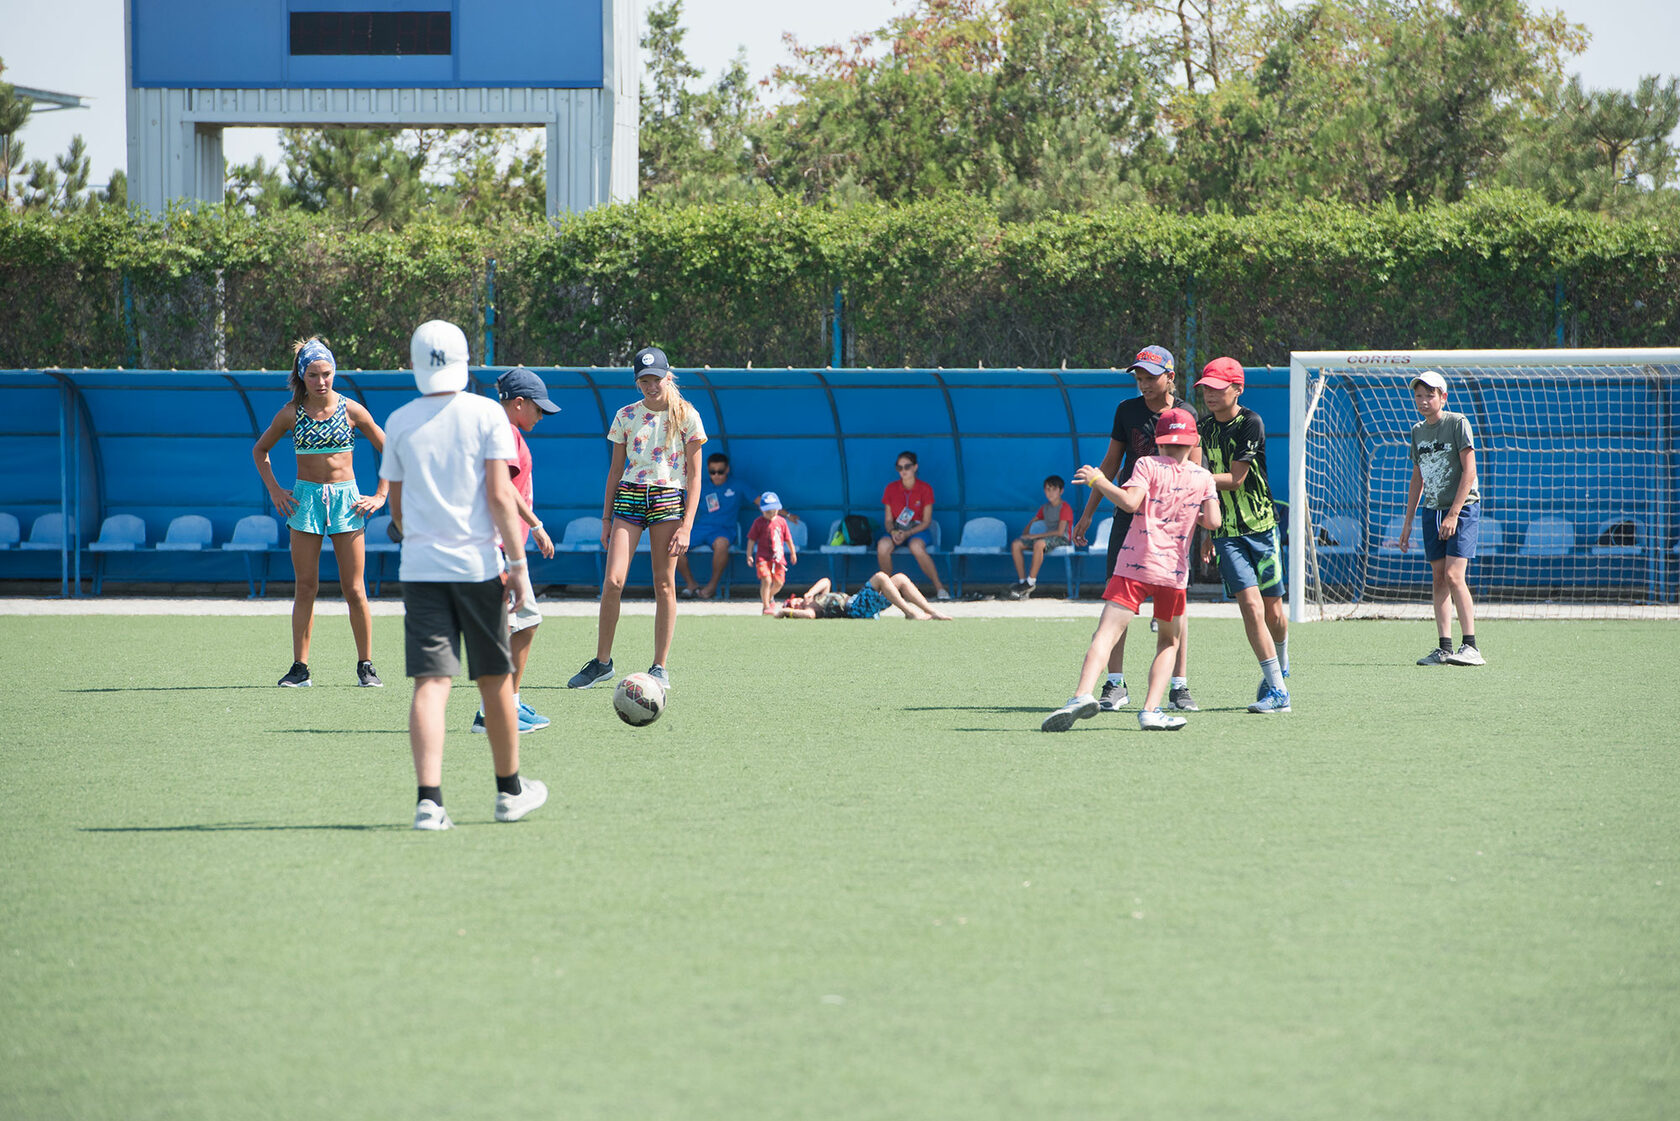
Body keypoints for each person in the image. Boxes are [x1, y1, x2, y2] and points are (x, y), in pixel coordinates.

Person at [380, 319, 547, 830]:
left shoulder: (400, 421)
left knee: (430, 684)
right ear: (464, 359)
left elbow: (400, 515)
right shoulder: (487, 415)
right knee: (495, 682)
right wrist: (517, 567)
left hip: (421, 571)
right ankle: (508, 793)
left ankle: (429, 804)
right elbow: (500, 498)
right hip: (478, 567)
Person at [1043, 408, 1219, 733]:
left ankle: (1082, 695)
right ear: (1193, 440)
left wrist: (1099, 480)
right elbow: (1214, 521)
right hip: (1172, 574)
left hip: (1134, 566)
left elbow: (1129, 502)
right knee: (1168, 642)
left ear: (1158, 441)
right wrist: (1186, 512)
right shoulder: (1203, 477)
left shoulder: (1146, 463)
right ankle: (1151, 710)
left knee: (1105, 634)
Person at [252, 336, 388, 689]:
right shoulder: (290, 413)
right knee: (306, 586)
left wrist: (380, 495)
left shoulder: (351, 410)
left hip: (347, 501)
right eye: (313, 375)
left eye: (326, 373)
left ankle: (366, 666)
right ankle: (300, 668)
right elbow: (260, 451)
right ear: (302, 375)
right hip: (305, 501)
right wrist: (276, 490)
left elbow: (392, 450)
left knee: (354, 588)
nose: (321, 381)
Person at [1069, 344, 1200, 712]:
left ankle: (1179, 685)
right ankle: (1115, 683)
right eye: (1139, 377)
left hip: (1172, 522)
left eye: (1150, 377)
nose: (1142, 383)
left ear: (1170, 377)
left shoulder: (1187, 413)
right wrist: (1088, 514)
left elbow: (1197, 471)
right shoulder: (1126, 411)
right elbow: (1110, 465)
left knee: (1175, 609)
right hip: (1129, 517)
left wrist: (1200, 528)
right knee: (1118, 601)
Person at [568, 346, 706, 692]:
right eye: (643, 379)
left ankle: (659, 666)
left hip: (668, 500)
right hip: (628, 497)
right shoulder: (625, 415)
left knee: (664, 583)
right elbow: (615, 471)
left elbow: (695, 477)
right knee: (613, 581)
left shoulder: (687, 415)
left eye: (655, 378)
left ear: (667, 376)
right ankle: (602, 663)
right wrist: (605, 519)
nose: (650, 385)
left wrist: (687, 525)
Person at [1195, 357, 1291, 714]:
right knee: (1250, 607)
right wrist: (1207, 530)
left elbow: (1235, 479)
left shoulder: (1251, 423)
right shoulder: (1204, 428)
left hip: (1262, 528)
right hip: (1227, 533)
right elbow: (1208, 486)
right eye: (1206, 388)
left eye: (1219, 388)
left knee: (1274, 611)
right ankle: (1278, 692)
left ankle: (1281, 664)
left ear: (1238, 389)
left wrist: (1191, 477)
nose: (1210, 394)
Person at [468, 367, 559, 736]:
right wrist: (536, 525)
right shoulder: (504, 433)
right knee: (506, 629)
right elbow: (503, 487)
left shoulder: (509, 431)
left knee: (525, 623)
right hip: (498, 547)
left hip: (506, 545)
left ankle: (510, 702)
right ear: (518, 403)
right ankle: (490, 713)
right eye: (538, 409)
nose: (541, 416)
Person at [1397, 370, 1484, 666]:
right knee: (1438, 578)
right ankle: (1444, 647)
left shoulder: (1457, 423)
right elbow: (1417, 478)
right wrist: (1408, 522)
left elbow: (1469, 471)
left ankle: (1471, 646)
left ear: (1443, 397)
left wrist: (1454, 513)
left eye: (1429, 395)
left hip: (1461, 508)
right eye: (1418, 395)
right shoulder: (1417, 431)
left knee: (1453, 575)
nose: (1423, 401)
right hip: (1431, 511)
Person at [678, 452, 759, 600]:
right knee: (674, 546)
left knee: (721, 544)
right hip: (700, 529)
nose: (716, 475)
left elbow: (763, 502)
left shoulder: (738, 485)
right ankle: (691, 584)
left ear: (727, 470)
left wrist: (786, 515)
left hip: (724, 530)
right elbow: (683, 507)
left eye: (720, 472)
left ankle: (712, 586)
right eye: (712, 472)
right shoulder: (701, 486)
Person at [876, 450, 951, 601]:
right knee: (882, 546)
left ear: (915, 467)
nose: (903, 471)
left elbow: (926, 521)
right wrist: (893, 532)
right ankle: (888, 590)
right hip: (897, 529)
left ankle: (939, 587)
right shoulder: (891, 488)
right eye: (899, 468)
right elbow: (888, 519)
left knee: (916, 547)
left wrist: (908, 534)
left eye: (907, 467)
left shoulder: (925, 489)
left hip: (917, 530)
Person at [1008, 474, 1075, 599]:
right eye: (1047, 489)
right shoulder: (1045, 508)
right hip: (1046, 539)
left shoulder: (1065, 507)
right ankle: (1023, 583)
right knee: (1016, 544)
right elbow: (1032, 523)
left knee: (1039, 544)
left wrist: (1036, 536)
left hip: (1062, 539)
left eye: (1054, 489)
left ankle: (1031, 582)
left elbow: (1060, 532)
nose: (1050, 493)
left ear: (1061, 491)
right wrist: (1027, 534)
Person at [775, 573, 952, 620]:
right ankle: (910, 613)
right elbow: (808, 615)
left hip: (860, 603)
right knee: (881, 577)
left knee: (900, 579)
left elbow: (826, 581)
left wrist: (810, 593)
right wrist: (786, 613)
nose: (797, 600)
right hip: (855, 609)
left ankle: (932, 611)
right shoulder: (810, 609)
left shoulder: (814, 599)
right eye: (794, 602)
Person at [747, 491, 798, 614]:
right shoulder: (758, 523)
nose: (771, 514)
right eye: (767, 512)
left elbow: (788, 539)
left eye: (773, 511)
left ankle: (769, 597)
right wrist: (749, 555)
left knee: (779, 583)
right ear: (761, 510)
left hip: (778, 558)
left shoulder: (781, 522)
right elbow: (751, 539)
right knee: (767, 580)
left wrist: (793, 552)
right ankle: (766, 606)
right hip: (762, 558)